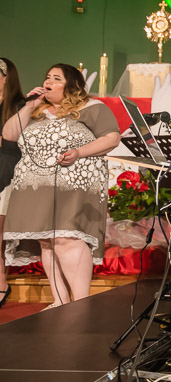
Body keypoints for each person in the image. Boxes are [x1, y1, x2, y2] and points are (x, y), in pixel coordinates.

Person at [2, 64, 120, 307]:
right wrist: (30, 106)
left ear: (71, 85)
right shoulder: (36, 110)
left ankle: (81, 304)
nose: (48, 82)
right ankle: (60, 302)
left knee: (67, 237)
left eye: (57, 78)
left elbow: (111, 138)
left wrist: (79, 152)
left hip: (74, 183)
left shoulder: (91, 107)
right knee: (47, 240)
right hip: (34, 185)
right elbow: (9, 134)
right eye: (47, 77)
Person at [0, 57, 26, 309]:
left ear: (7, 78)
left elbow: (18, 142)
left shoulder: (20, 106)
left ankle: (1, 283)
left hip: (6, 172)